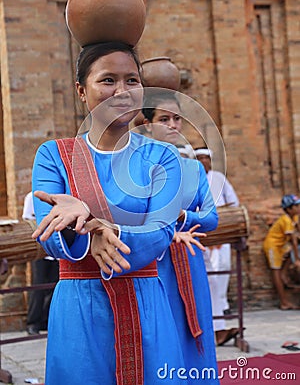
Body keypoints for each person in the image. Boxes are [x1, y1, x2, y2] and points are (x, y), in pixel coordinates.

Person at [31, 42, 190, 385]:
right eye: (107, 80)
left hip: (146, 299)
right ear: (82, 92)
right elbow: (49, 234)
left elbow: (161, 231)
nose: (122, 92)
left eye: (132, 81)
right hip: (80, 305)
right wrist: (87, 226)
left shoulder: (162, 157)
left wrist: (95, 221)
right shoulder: (53, 155)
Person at [142, 88, 220, 383]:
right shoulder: (138, 168)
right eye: (165, 119)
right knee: (159, 333)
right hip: (151, 262)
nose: (173, 125)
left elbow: (212, 218)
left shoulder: (194, 169)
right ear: (148, 124)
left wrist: (184, 216)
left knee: (194, 328)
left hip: (189, 261)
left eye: (177, 119)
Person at [195, 147, 239, 346]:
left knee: (221, 279)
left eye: (206, 158)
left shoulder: (219, 178)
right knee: (209, 283)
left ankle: (220, 323)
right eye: (200, 158)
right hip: (202, 239)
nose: (204, 161)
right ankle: (217, 329)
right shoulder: (192, 178)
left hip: (222, 236)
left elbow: (233, 204)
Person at [22, 191, 59, 335]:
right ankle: (33, 322)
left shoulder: (59, 194)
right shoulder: (31, 197)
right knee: (38, 286)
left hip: (56, 249)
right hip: (40, 247)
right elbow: (27, 220)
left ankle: (47, 321)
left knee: (54, 286)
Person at [263, 194, 300, 310]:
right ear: (289, 209)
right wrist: (297, 259)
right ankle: (283, 302)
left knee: (289, 253)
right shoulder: (286, 220)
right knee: (276, 271)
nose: (298, 208)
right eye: (296, 206)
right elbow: (293, 240)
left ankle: (284, 274)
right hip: (273, 246)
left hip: (282, 245)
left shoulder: (294, 218)